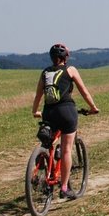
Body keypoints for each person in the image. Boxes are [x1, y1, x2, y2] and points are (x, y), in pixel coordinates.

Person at [31, 43, 99, 199]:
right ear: (65, 57)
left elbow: (38, 95)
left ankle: (42, 163)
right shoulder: (71, 70)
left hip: (48, 112)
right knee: (67, 149)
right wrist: (93, 107)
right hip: (66, 111)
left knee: (49, 141)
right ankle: (64, 187)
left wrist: (35, 111)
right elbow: (84, 92)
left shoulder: (45, 72)